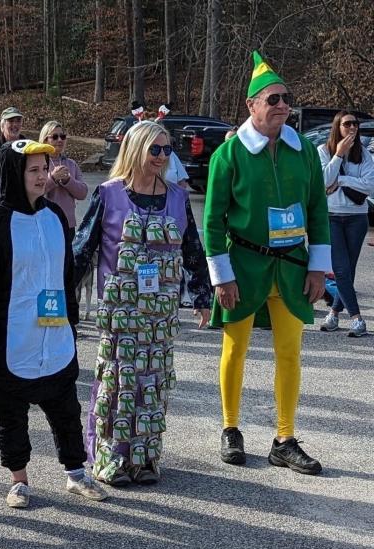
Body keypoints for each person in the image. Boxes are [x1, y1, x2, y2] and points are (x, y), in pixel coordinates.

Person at [205, 51, 331, 475]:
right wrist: (222, 276)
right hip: (244, 264)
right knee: (235, 348)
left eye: (286, 99)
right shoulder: (230, 155)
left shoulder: (305, 153)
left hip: (293, 266)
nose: (282, 106)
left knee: (290, 352)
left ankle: (284, 438)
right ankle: (230, 428)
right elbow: (211, 221)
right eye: (273, 99)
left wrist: (318, 267)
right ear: (251, 105)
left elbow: (317, 210)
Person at [0, 139, 108, 508]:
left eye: (45, 169)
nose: (43, 176)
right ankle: (19, 480)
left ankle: (76, 473)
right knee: (10, 415)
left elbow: (66, 276)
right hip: (9, 338)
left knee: (66, 410)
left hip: (56, 332)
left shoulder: (55, 217)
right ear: (14, 174)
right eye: (34, 170)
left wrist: (72, 323)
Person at [73, 120, 212, 486]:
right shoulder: (108, 193)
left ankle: (144, 457)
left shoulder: (178, 197)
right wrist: (62, 299)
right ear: (135, 150)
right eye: (156, 149)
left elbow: (192, 249)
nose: (163, 157)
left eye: (167, 150)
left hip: (160, 310)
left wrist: (202, 297)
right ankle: (108, 457)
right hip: (120, 311)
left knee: (153, 381)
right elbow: (83, 248)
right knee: (117, 381)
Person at [316, 110, 374, 337]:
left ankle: (333, 314)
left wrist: (340, 180)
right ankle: (357, 319)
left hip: (357, 218)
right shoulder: (324, 151)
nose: (352, 128)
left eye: (355, 125)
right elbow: (322, 181)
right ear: (337, 127)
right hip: (331, 216)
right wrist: (338, 155)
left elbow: (370, 187)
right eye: (347, 124)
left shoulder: (364, 155)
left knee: (348, 270)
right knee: (340, 269)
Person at [40, 120, 88, 242]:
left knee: (67, 260)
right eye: (55, 137)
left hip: (68, 224)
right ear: (45, 140)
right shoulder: (39, 163)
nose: (60, 140)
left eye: (63, 136)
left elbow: (83, 193)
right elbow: (34, 191)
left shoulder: (71, 163)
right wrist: (53, 178)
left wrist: (68, 180)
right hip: (46, 222)